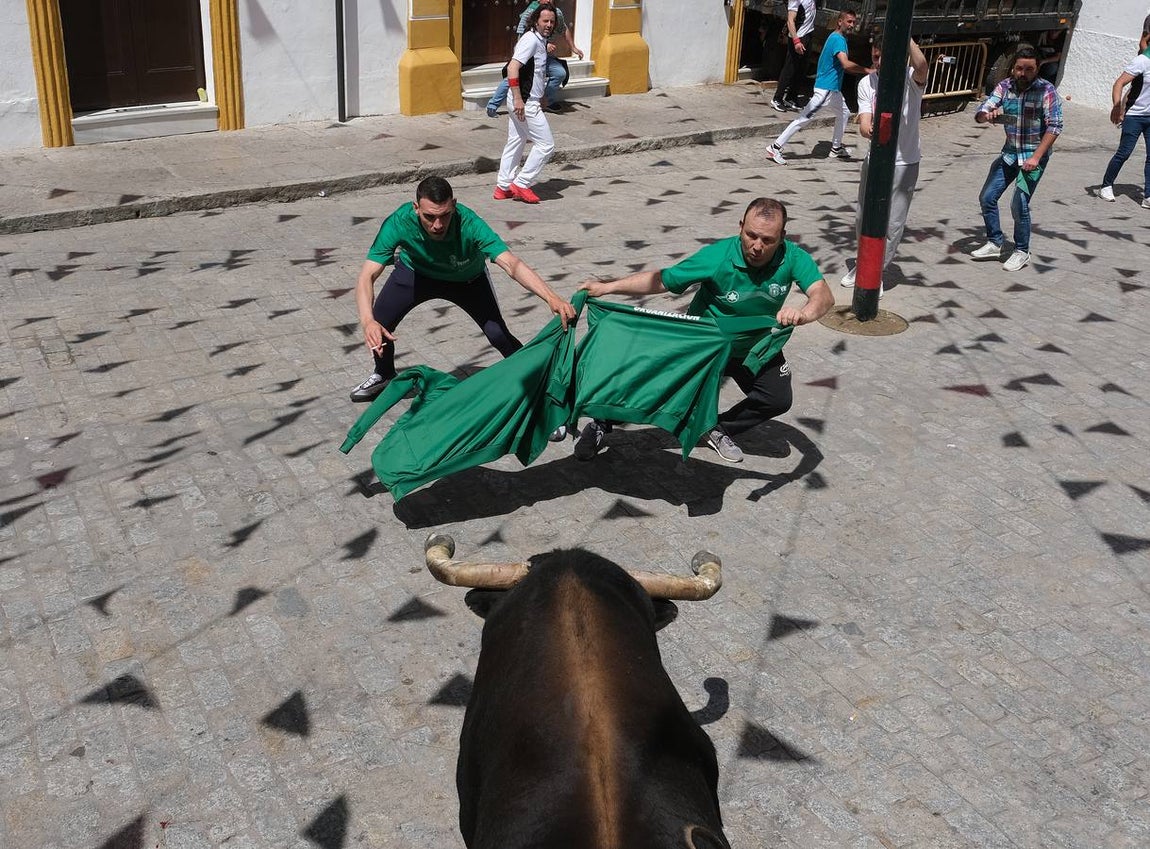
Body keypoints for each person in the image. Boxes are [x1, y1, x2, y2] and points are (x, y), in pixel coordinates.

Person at [574, 198, 834, 464]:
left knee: (777, 398)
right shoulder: (717, 256)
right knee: (653, 388)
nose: (757, 246)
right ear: (740, 227)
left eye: (767, 240)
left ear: (782, 237)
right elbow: (663, 280)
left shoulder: (792, 257)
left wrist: (803, 314)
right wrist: (608, 287)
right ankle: (601, 422)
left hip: (755, 347)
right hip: (706, 345)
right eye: (751, 235)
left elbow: (823, 296)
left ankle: (715, 428)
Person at [350, 176, 575, 403]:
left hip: (467, 280)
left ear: (454, 205)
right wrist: (367, 321)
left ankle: (538, 386)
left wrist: (551, 297)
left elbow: (510, 263)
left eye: (444, 215)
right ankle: (384, 374)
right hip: (415, 274)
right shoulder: (399, 222)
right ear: (416, 208)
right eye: (429, 217)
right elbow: (367, 275)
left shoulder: (470, 223)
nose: (437, 225)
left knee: (498, 335)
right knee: (379, 321)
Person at [840, 38, 930, 291]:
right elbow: (865, 121)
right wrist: (868, 128)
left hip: (905, 162)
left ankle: (874, 273)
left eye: (884, 57)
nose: (879, 62)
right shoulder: (867, 83)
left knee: (893, 222)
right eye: (876, 57)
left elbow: (922, 64)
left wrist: (907, 36)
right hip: (876, 160)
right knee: (863, 217)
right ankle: (863, 263)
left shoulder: (911, 78)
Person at [969, 44, 1064, 272]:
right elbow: (984, 109)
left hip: (1034, 158)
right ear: (1013, 68)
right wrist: (986, 115)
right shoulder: (1005, 86)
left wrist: (1036, 157)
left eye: (1029, 69)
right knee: (987, 197)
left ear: (1037, 69)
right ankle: (995, 242)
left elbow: (1055, 126)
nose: (1023, 74)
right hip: (1010, 154)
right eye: (1019, 68)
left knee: (1018, 203)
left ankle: (1022, 250)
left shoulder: (1046, 90)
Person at [766, 8, 870, 165]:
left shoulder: (836, 37)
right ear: (840, 22)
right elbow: (845, 64)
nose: (851, 25)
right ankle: (775, 147)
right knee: (803, 119)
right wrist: (867, 70)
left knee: (844, 112)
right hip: (825, 90)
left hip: (832, 90)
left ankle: (835, 148)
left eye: (853, 22)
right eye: (849, 21)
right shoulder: (838, 40)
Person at [493, 4, 559, 205]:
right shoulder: (530, 40)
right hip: (524, 102)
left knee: (517, 140)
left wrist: (541, 96)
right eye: (545, 21)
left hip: (526, 99)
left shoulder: (539, 39)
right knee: (546, 144)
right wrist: (519, 98)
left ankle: (503, 187)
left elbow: (536, 71)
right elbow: (513, 68)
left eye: (551, 21)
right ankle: (522, 183)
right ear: (536, 21)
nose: (548, 25)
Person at [486, 1, 583, 117]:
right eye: (546, 21)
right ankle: (492, 105)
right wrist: (543, 45)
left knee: (559, 73)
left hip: (543, 57)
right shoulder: (531, 12)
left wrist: (573, 47)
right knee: (512, 76)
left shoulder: (556, 13)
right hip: (528, 57)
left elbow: (564, 29)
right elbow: (522, 37)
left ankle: (547, 101)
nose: (547, 0)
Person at [1100, 43, 1150, 209]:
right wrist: (1116, 106)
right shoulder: (1142, 61)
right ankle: (1106, 186)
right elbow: (1119, 83)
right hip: (1134, 116)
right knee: (1124, 152)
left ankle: (1148, 196)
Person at [771, 0, 817, 112]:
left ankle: (791, 98)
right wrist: (796, 41)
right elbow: (790, 21)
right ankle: (777, 98)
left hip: (808, 34)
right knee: (790, 68)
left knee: (801, 69)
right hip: (798, 36)